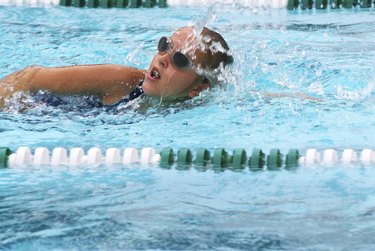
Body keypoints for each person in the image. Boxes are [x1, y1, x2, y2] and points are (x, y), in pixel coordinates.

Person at [0, 26, 233, 110]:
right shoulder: (121, 81)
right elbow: (29, 79)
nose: (162, 59)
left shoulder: (196, 106)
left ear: (198, 89)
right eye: (165, 46)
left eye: (180, 60)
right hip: (29, 107)